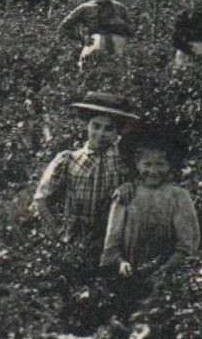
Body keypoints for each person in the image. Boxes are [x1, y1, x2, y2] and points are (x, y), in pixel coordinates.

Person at [31, 91, 139, 278]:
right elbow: (41, 199)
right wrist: (58, 233)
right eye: (96, 126)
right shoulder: (68, 160)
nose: (101, 134)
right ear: (87, 126)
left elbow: (142, 189)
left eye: (109, 129)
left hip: (114, 244)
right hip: (76, 242)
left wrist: (130, 186)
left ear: (117, 132)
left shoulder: (126, 161)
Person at [101, 124, 200, 284]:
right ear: (137, 164)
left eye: (160, 164)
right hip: (127, 276)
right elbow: (112, 243)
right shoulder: (126, 194)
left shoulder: (179, 196)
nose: (153, 171)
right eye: (147, 164)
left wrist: (164, 272)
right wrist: (121, 262)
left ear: (170, 165)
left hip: (167, 277)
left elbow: (186, 246)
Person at [59, 0, 135, 69]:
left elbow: (132, 32)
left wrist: (122, 23)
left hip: (117, 48)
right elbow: (64, 27)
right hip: (94, 47)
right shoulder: (85, 8)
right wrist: (82, 38)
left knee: (118, 74)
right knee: (89, 71)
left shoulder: (120, 8)